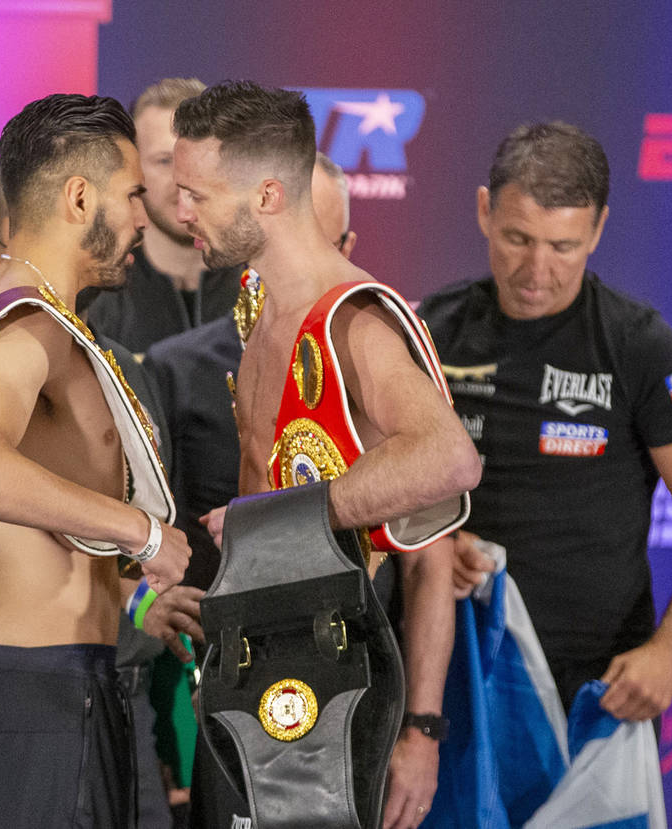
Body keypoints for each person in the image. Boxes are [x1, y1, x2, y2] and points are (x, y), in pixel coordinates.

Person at [172, 81, 480, 829]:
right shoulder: (257, 302)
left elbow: (450, 457)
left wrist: (282, 521)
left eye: (196, 195)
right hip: (246, 656)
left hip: (328, 667)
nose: (180, 213)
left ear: (268, 196)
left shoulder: (356, 319)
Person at [418, 122, 672, 723]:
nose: (537, 268)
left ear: (597, 229)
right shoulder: (428, 331)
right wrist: (434, 540)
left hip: (598, 688)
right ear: (484, 211)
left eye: (563, 246)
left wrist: (668, 655)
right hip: (447, 678)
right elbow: (371, 488)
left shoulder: (640, 347)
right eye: (518, 238)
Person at [0, 93, 191, 827]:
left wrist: (125, 580)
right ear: (80, 198)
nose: (144, 215)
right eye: (133, 193)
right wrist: (141, 532)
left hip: (13, 680)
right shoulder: (32, 328)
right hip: (42, 693)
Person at [142, 151, 356, 592]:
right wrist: (145, 606)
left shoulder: (373, 351)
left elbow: (440, 488)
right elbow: (150, 532)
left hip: (354, 637)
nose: (296, 262)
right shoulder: (175, 370)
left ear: (346, 248)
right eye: (280, 240)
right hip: (216, 640)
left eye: (318, 243)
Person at [86, 78, 242, 356]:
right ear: (133, 168)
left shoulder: (261, 289)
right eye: (164, 160)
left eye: (197, 159)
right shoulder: (98, 301)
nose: (181, 179)